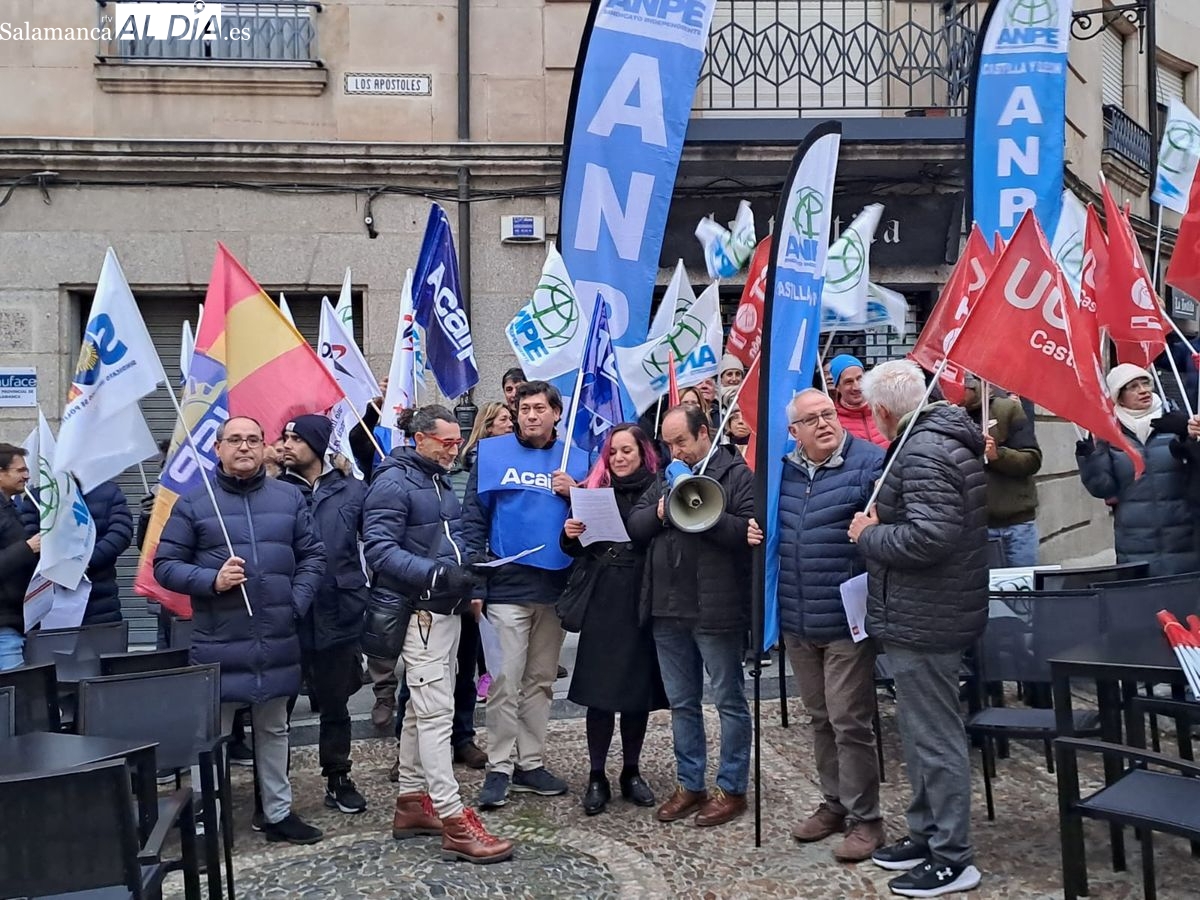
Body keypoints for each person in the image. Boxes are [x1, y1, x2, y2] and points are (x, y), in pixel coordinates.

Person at [848, 359, 986, 898]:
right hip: (923, 610)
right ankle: (927, 833)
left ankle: (953, 857)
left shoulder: (925, 450)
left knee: (935, 738)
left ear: (882, 411)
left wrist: (868, 535)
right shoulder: (931, 441)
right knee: (919, 732)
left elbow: (931, 537)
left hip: (928, 614)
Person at [154, 415, 326, 845]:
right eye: (235, 440)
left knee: (274, 730)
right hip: (218, 640)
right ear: (218, 447)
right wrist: (211, 581)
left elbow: (313, 557)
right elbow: (165, 566)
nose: (244, 447)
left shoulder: (288, 498)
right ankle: (208, 819)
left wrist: (295, 602)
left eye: (253, 439)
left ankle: (278, 813)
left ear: (265, 446)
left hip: (277, 637)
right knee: (210, 735)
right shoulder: (195, 503)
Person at [363, 405, 513, 864]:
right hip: (420, 612)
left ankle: (411, 802)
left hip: (441, 608)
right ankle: (451, 817)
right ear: (420, 439)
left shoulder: (436, 476)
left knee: (422, 710)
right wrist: (439, 575)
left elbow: (450, 536)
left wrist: (470, 566)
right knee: (434, 713)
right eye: (447, 442)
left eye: (456, 441)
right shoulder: (393, 482)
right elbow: (380, 551)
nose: (454, 449)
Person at [748, 388, 886, 861]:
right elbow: (767, 526)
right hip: (797, 615)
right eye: (812, 419)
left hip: (847, 618)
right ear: (794, 433)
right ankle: (834, 804)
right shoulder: (782, 473)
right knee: (821, 717)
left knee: (850, 719)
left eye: (828, 414)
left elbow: (888, 524)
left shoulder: (870, 464)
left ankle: (867, 819)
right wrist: (752, 528)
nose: (825, 423)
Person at [626, 404, 755, 828]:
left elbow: (745, 532)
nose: (674, 450)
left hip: (715, 607)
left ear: (705, 434)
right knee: (683, 703)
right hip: (668, 606)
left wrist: (697, 510)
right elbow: (636, 525)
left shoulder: (735, 475)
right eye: (668, 443)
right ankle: (690, 783)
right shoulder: (664, 477)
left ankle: (732, 787)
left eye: (681, 441)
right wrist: (665, 510)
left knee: (729, 701)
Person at [463, 380, 588, 809]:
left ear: (556, 413)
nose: (530, 415)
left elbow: (596, 522)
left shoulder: (577, 457)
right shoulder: (493, 455)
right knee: (503, 680)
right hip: (506, 588)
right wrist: (476, 583)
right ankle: (499, 765)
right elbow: (472, 521)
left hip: (555, 589)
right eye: (524, 408)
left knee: (540, 681)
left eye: (539, 408)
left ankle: (530, 762)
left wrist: (579, 494)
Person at [561, 424, 667, 816]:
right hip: (604, 597)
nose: (619, 458)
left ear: (643, 454)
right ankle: (596, 774)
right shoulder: (594, 490)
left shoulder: (658, 488)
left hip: (642, 595)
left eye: (627, 451)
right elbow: (577, 548)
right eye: (613, 452)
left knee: (635, 694)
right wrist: (570, 534)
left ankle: (631, 771)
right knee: (601, 694)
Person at [278, 415, 369, 816]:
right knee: (276, 709)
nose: (287, 444)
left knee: (336, 704)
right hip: (288, 614)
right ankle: (274, 788)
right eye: (285, 437)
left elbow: (374, 542)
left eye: (296, 438)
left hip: (339, 612)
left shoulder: (353, 491)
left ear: (317, 446)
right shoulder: (273, 492)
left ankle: (338, 776)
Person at [1076, 363, 1200, 576]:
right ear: (1119, 396)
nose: (1143, 390)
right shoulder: (1109, 433)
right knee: (1141, 605)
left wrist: (1189, 438)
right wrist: (1091, 456)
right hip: (1135, 543)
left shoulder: (1178, 422)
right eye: (1132, 386)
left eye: (1145, 383)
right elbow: (1103, 488)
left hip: (1184, 538)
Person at [21, 478, 133, 627]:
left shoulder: (108, 491)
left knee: (102, 646)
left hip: (100, 597)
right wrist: (58, 561)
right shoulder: (38, 496)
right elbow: (29, 538)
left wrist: (86, 561)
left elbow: (121, 533)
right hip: (52, 598)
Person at [960, 375, 1042, 567]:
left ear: (972, 387)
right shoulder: (946, 417)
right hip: (973, 526)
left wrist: (998, 455)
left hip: (1016, 524)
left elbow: (1032, 460)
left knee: (1024, 591)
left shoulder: (1007, 409)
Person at [0, 444, 39, 670]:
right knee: (13, 696)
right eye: (20, 470)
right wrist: (27, 548)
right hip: (4, 627)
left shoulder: (12, 506)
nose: (27, 475)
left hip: (16, 620)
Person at [830, 354, 889, 448]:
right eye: (848, 382)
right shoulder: (833, 421)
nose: (856, 387)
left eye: (859, 378)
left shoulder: (887, 409)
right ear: (837, 387)